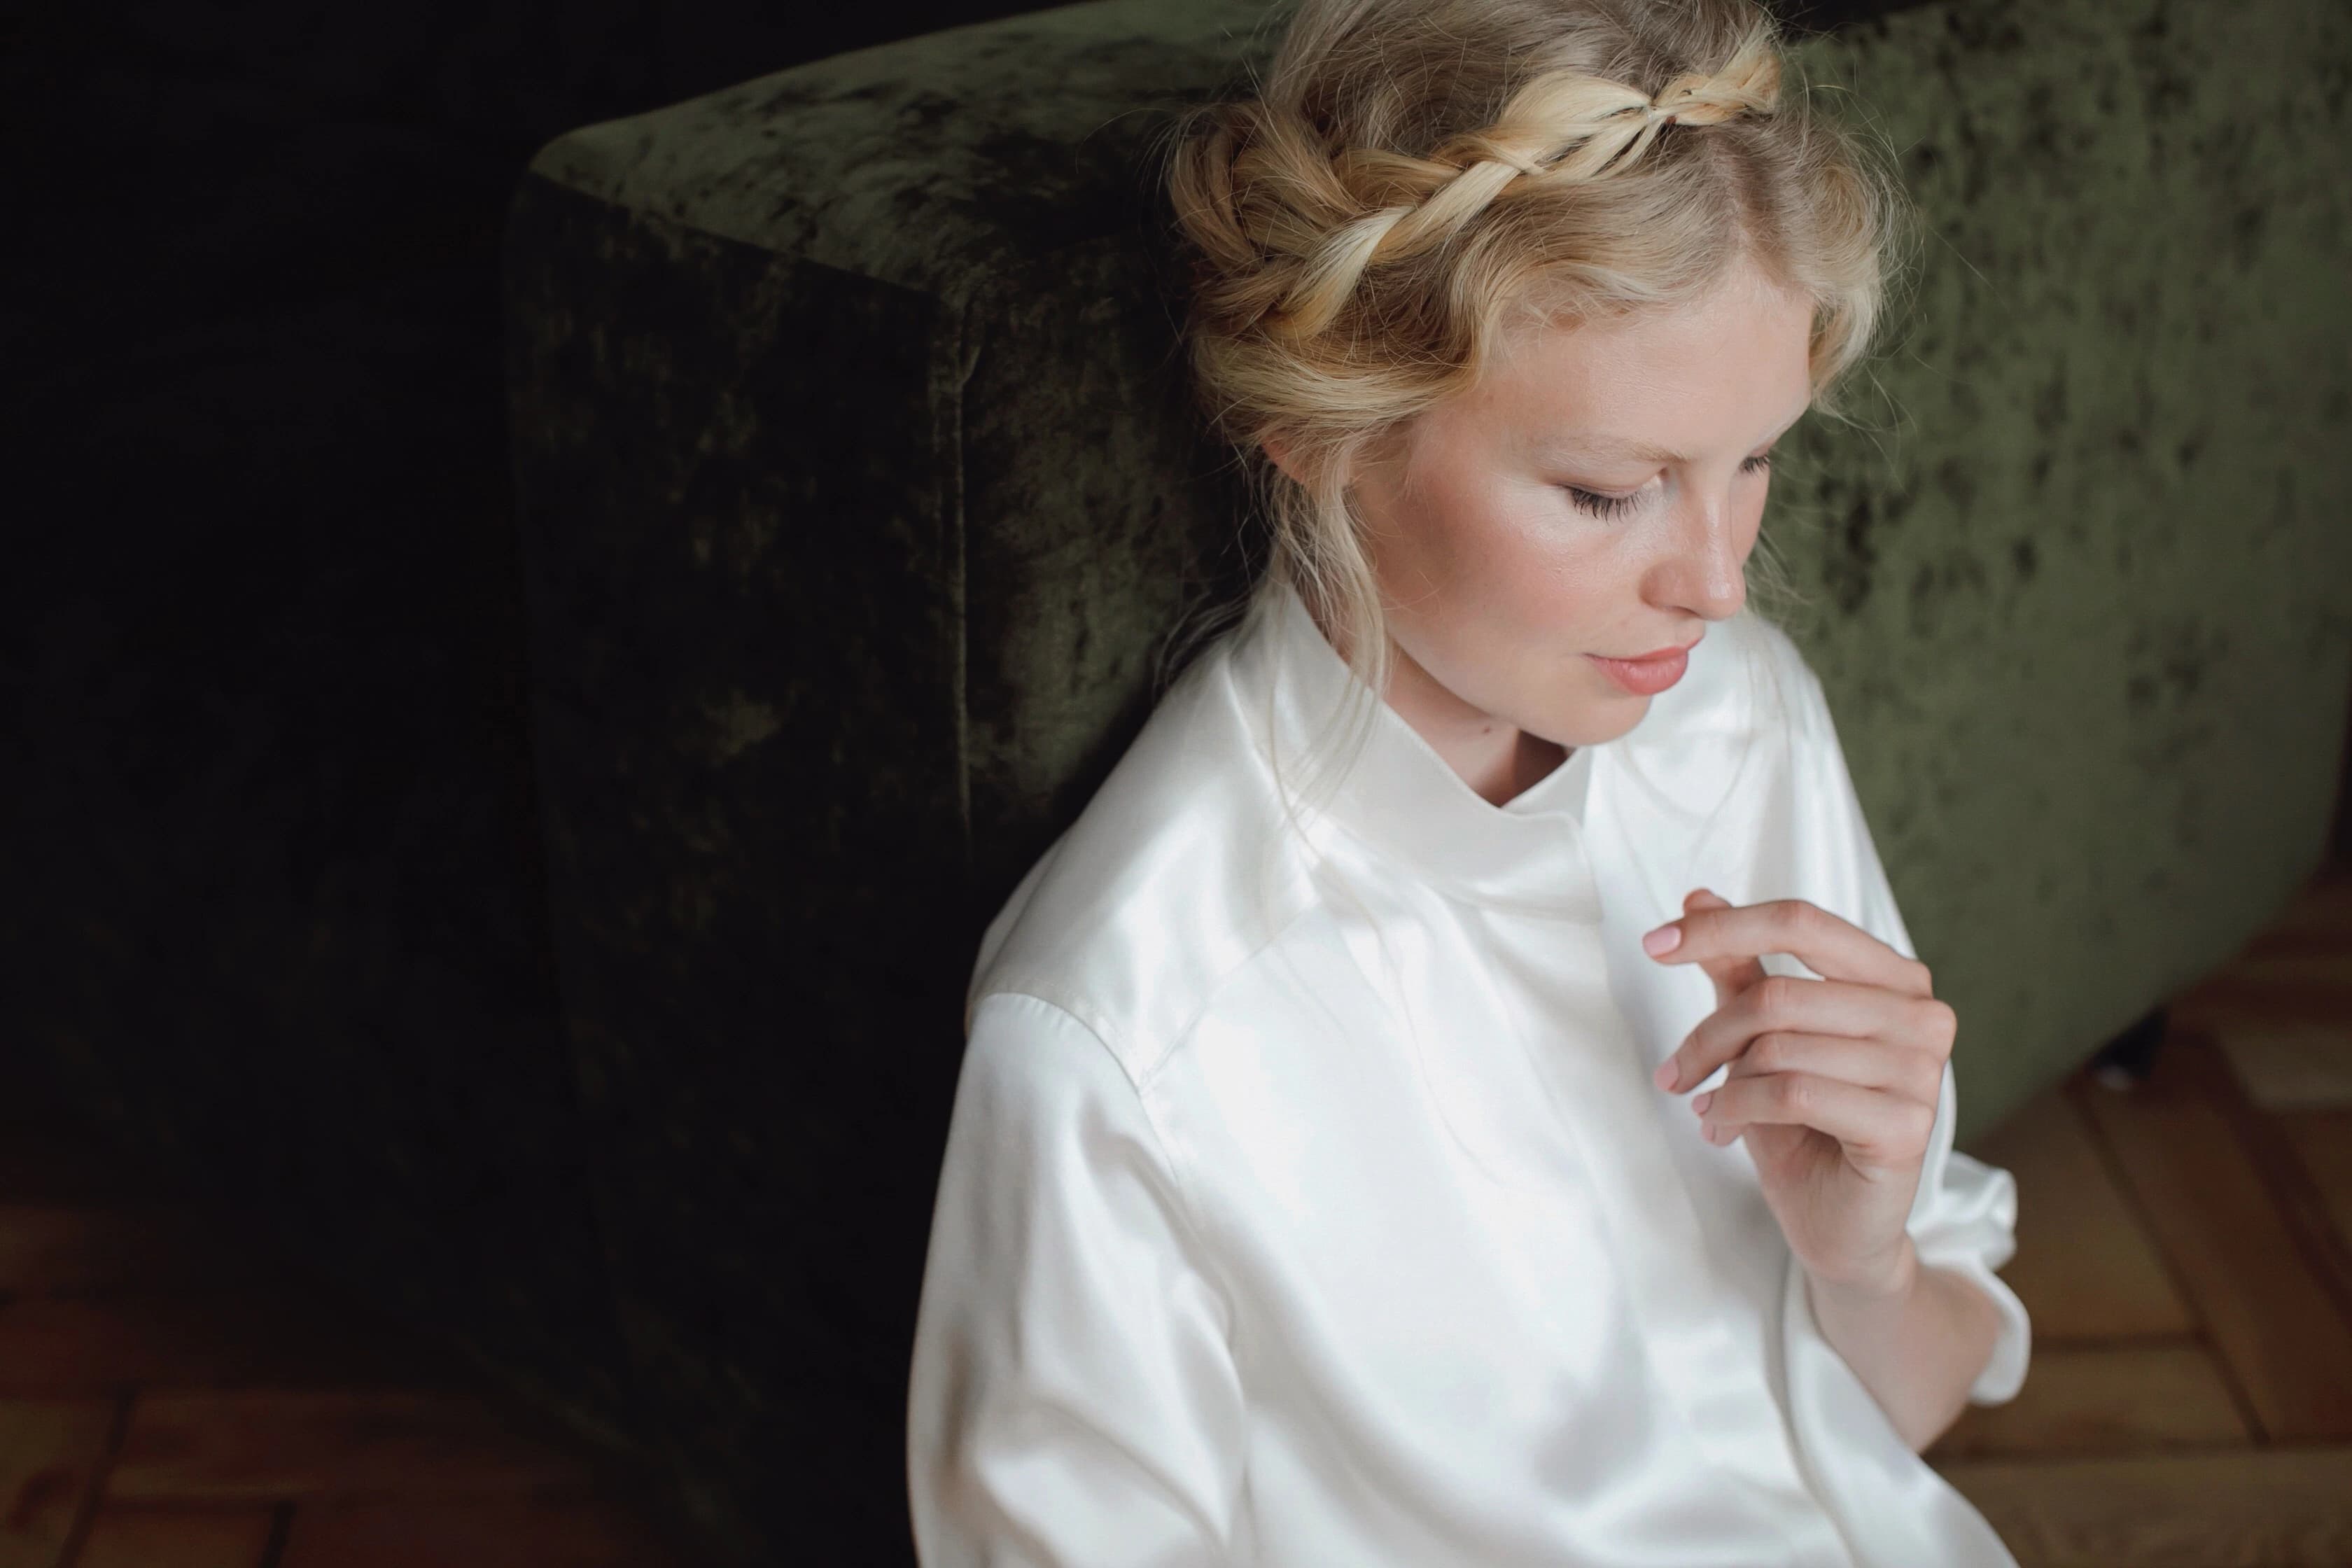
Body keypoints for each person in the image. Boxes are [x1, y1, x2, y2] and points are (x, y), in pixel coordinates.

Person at [905, 1, 2032, 1562]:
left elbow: (1896, 1429)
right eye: (1610, 491)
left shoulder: (1737, 720)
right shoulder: (1118, 1035)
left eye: (1756, 460)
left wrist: (1862, 1253)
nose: (1715, 581)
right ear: (1319, 431)